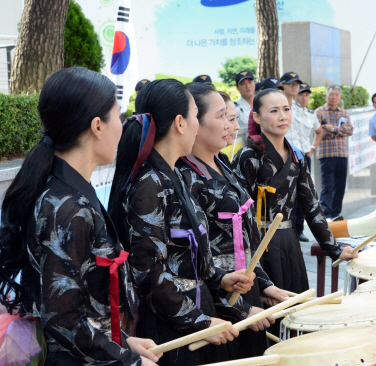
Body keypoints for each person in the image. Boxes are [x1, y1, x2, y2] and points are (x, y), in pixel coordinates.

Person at [0, 67, 161, 365]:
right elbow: (63, 320)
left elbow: (85, 305)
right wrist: (128, 361)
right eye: (119, 116)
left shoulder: (71, 192)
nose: (123, 127)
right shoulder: (66, 208)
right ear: (98, 125)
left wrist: (125, 343)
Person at [108, 79, 258, 366]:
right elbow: (148, 272)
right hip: (174, 328)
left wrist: (220, 279)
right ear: (180, 123)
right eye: (194, 117)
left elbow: (186, 257)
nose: (197, 127)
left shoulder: (173, 175)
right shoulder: (149, 184)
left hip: (200, 311)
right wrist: (198, 321)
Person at [176, 83, 288, 359]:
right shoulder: (184, 178)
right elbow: (192, 259)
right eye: (224, 117)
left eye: (233, 118)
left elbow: (248, 239)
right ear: (193, 123)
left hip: (244, 288)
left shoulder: (223, 163)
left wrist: (263, 284)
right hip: (218, 300)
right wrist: (236, 306)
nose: (233, 126)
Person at [232, 89, 357, 333]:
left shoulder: (297, 155)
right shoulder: (248, 157)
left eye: (286, 109)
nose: (282, 116)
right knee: (270, 320)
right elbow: (239, 218)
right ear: (256, 117)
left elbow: (311, 205)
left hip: (289, 243)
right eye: (274, 111)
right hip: (259, 248)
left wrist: (334, 248)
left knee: (296, 314)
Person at [282, 76, 323, 242]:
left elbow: (318, 131)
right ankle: (288, 229)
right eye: (292, 85)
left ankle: (299, 229)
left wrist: (311, 149)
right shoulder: (284, 108)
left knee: (303, 194)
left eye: (297, 86)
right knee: (287, 195)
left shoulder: (303, 111)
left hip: (303, 156)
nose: (303, 95)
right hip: (287, 156)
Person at [315, 86, 354, 220]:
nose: (334, 97)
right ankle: (326, 214)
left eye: (336, 95)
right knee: (328, 186)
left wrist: (332, 129)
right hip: (326, 154)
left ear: (340, 97)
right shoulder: (319, 112)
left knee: (340, 185)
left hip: (342, 154)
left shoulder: (344, 113)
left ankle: (336, 213)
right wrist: (337, 131)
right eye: (331, 94)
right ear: (326, 96)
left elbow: (349, 130)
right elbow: (319, 132)